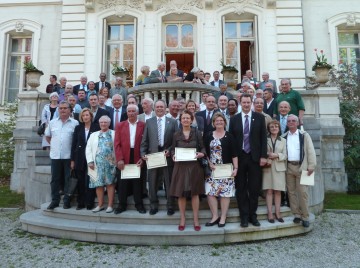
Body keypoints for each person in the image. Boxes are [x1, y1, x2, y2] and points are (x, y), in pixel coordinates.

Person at [229, 93, 267, 227]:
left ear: (251, 103)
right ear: (240, 103)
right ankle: (244, 216)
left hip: (254, 158)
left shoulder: (260, 118)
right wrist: (233, 161)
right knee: (241, 188)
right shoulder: (234, 119)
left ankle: (253, 215)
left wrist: (263, 156)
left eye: (248, 102)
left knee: (254, 188)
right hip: (239, 158)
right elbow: (232, 141)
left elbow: (263, 138)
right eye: (243, 102)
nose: (246, 105)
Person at [169, 110, 206, 231]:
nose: (185, 120)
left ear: (191, 120)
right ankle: (182, 218)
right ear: (180, 120)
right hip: (180, 167)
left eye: (187, 118)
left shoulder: (197, 133)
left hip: (194, 166)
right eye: (183, 118)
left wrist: (202, 154)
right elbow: (173, 149)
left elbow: (203, 148)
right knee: (181, 193)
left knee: (195, 193)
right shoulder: (176, 134)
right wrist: (173, 155)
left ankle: (196, 219)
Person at [140, 99, 178, 215]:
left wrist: (170, 150)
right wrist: (143, 154)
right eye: (157, 107)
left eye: (162, 107)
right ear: (154, 108)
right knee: (152, 182)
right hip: (153, 156)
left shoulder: (172, 122)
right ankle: (153, 205)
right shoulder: (149, 122)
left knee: (169, 182)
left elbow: (176, 141)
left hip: (167, 156)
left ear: (165, 108)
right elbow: (144, 140)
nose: (159, 109)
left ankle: (170, 205)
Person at [204, 112, 238, 227]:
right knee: (210, 192)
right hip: (212, 170)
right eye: (216, 121)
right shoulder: (208, 135)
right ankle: (215, 216)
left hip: (226, 170)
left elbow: (234, 154)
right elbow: (205, 153)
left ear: (224, 122)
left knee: (225, 193)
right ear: (213, 123)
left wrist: (236, 168)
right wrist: (209, 163)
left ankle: (223, 216)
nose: (219, 122)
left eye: (221, 120)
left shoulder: (230, 136)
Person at [283, 114, 316, 228]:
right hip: (289, 167)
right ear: (287, 123)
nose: (291, 122)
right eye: (289, 121)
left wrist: (311, 165)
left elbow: (310, 150)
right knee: (291, 193)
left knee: (303, 193)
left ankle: (305, 216)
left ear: (297, 123)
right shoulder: (284, 136)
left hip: (303, 167)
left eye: (293, 121)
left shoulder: (304, 135)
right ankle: (296, 214)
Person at [45, 101, 79, 210]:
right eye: (60, 108)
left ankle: (67, 201)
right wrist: (56, 146)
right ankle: (55, 201)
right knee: (55, 179)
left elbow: (76, 141)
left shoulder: (75, 123)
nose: (63, 110)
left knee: (68, 179)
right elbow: (48, 137)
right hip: (55, 156)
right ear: (58, 110)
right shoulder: (52, 123)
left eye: (65, 108)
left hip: (68, 156)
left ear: (70, 110)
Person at [114, 104, 146, 214]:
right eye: (129, 111)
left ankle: (139, 204)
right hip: (124, 156)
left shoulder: (143, 125)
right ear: (126, 113)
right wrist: (119, 159)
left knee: (137, 182)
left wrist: (143, 157)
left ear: (137, 113)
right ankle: (121, 205)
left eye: (133, 111)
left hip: (137, 155)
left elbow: (145, 143)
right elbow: (117, 144)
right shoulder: (119, 125)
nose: (131, 113)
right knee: (122, 182)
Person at [85, 115, 116, 213]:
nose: (103, 124)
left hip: (111, 164)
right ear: (99, 123)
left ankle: (110, 205)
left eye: (105, 122)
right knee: (98, 185)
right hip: (96, 164)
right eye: (101, 122)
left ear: (109, 123)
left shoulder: (114, 133)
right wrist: (90, 161)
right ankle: (100, 205)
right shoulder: (94, 135)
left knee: (110, 184)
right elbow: (88, 148)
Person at [70, 108, 100, 210]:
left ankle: (89, 202)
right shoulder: (78, 128)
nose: (85, 117)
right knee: (81, 181)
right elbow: (74, 144)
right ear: (81, 117)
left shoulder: (96, 127)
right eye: (84, 115)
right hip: (79, 158)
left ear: (91, 116)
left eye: (87, 115)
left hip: (92, 159)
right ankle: (80, 202)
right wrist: (72, 160)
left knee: (90, 181)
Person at [262, 120, 287, 223]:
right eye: (272, 127)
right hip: (267, 167)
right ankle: (270, 213)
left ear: (279, 128)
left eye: (276, 126)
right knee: (269, 191)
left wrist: (277, 155)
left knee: (278, 191)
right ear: (269, 128)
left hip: (279, 168)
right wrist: (268, 154)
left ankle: (278, 212)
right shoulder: (264, 139)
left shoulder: (283, 140)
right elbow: (261, 151)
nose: (274, 128)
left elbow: (286, 155)